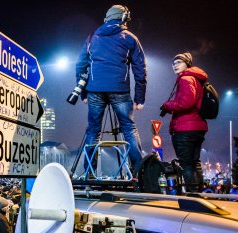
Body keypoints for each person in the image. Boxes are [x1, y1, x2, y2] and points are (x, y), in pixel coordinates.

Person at [75, 4, 147, 173]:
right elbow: (140, 70)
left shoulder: (92, 37)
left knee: (93, 130)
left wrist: (83, 93)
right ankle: (139, 171)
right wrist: (139, 98)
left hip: (94, 91)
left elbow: (80, 65)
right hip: (119, 90)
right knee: (129, 129)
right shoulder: (130, 38)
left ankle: (89, 174)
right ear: (123, 18)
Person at [160, 52, 208, 192]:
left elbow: (186, 102)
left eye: (179, 62)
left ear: (187, 64)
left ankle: (193, 197)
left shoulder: (185, 78)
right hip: (197, 126)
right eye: (173, 63)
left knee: (186, 164)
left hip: (185, 128)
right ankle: (200, 195)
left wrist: (167, 105)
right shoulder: (196, 78)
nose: (175, 65)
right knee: (195, 162)